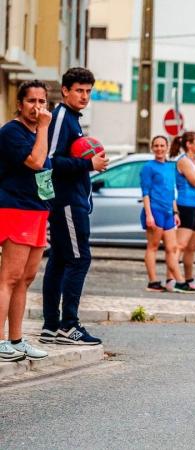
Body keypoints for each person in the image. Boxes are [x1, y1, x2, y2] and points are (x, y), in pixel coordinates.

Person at [41, 67, 108, 346]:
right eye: (79, 90)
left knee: (59, 259)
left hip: (73, 200)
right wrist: (88, 164)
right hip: (67, 202)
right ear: (66, 90)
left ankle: (51, 326)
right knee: (80, 259)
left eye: (88, 91)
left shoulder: (72, 120)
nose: (84, 96)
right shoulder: (61, 118)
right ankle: (69, 325)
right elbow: (49, 160)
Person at [0, 80, 52, 362]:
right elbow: (36, 162)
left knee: (26, 278)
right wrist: (44, 128)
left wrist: (48, 210)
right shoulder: (12, 132)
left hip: (37, 210)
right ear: (20, 104)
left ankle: (16, 339)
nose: (37, 107)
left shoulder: (39, 133)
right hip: (15, 208)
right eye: (31, 101)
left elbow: (46, 175)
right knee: (8, 277)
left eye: (42, 101)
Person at [140, 135, 190, 293]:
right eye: (156, 146)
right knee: (153, 247)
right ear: (152, 148)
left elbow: (171, 192)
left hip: (169, 213)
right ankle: (153, 282)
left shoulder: (170, 167)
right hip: (154, 211)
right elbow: (145, 193)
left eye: (162, 145)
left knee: (172, 248)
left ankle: (177, 281)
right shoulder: (148, 167)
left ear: (167, 147)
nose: (159, 148)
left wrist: (175, 212)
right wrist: (149, 215)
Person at [168, 131, 195, 293]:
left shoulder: (193, 160)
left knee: (192, 247)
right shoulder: (184, 161)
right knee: (181, 245)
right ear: (188, 145)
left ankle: (189, 279)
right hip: (185, 205)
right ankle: (172, 279)